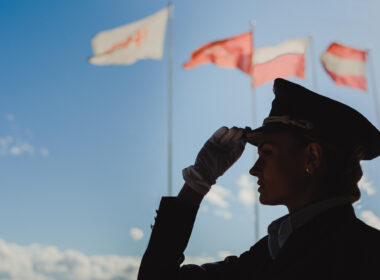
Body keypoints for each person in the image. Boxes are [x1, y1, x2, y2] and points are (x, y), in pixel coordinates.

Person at [137, 78, 380, 280]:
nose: (254, 169)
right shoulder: (267, 254)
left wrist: (195, 188)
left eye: (267, 153)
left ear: (312, 157)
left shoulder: (366, 254)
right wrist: (196, 183)